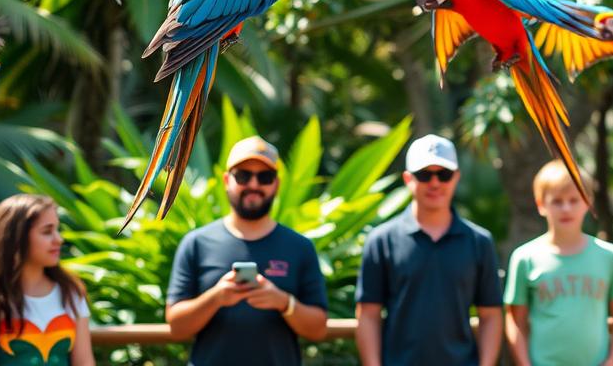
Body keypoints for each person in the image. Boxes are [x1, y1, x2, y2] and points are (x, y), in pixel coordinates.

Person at [166, 136, 328, 365]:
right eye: (243, 176)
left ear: (276, 184)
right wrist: (216, 297)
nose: (253, 185)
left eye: (264, 177)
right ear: (226, 180)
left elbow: (318, 329)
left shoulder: (300, 247)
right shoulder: (196, 243)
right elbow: (176, 327)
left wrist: (284, 302)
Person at [355, 134, 502, 366]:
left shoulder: (479, 242)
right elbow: (368, 314)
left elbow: (491, 315)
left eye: (444, 174)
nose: (435, 183)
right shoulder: (381, 241)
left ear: (456, 177)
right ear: (408, 178)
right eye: (424, 175)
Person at [504, 161, 613, 366]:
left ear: (588, 202)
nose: (566, 208)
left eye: (574, 200)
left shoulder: (609, 256)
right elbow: (515, 321)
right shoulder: (524, 257)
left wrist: (612, 362)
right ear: (541, 204)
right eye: (557, 201)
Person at [0, 193, 94, 365]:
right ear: (16, 237)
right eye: (47, 231)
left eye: (57, 230)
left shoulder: (70, 290)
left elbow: (84, 362)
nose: (59, 239)